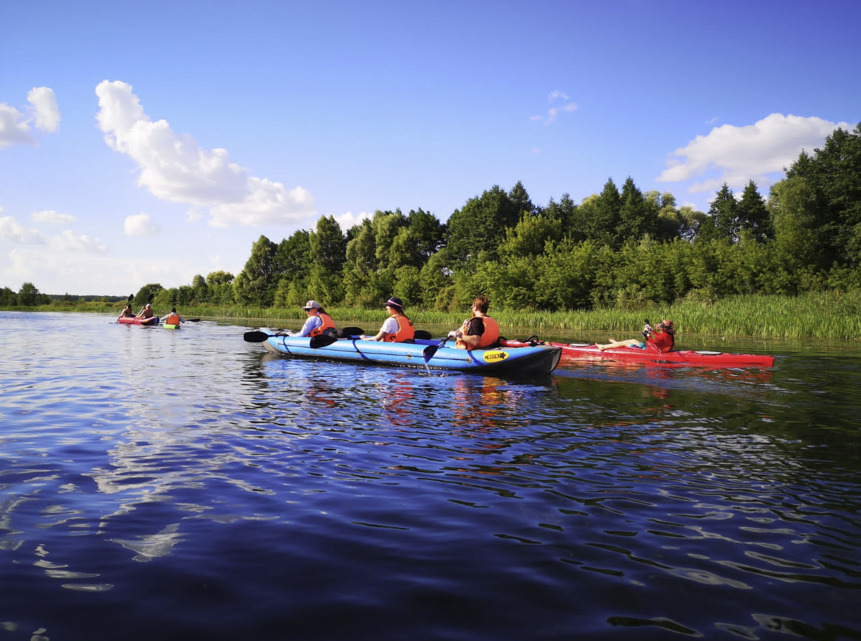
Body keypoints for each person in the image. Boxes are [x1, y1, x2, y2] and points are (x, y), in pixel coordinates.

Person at [597, 319, 675, 353]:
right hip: (655, 349)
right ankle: (616, 343)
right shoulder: (668, 334)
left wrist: (647, 335)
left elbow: (650, 343)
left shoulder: (663, 336)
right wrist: (652, 331)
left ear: (663, 328)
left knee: (625, 343)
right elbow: (659, 337)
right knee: (633, 340)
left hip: (650, 350)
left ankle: (603, 347)